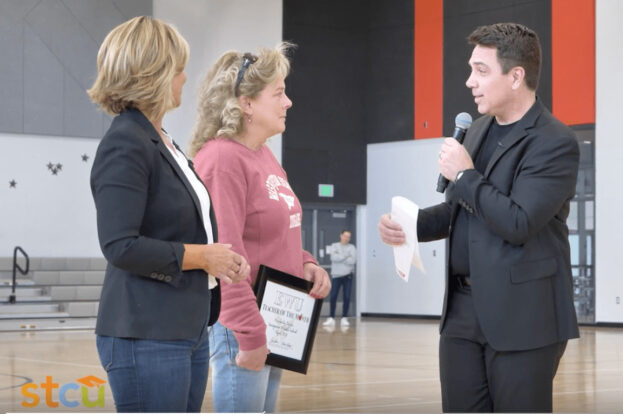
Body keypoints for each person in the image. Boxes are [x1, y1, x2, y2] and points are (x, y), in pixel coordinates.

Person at [378, 22, 580, 412]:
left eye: (481, 71)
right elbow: (461, 210)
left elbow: (518, 222)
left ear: (516, 76)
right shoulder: (478, 130)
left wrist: (466, 175)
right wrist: (412, 225)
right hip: (462, 312)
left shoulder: (554, 142)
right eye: (471, 69)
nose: (470, 81)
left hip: (524, 314)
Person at [88, 16, 250, 412]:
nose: (183, 77)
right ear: (153, 74)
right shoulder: (126, 142)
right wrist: (201, 256)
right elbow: (120, 245)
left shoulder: (164, 141)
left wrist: (220, 260)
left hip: (184, 326)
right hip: (146, 332)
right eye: (177, 68)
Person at [189, 45, 332, 413]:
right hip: (243, 324)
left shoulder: (264, 155)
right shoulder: (222, 159)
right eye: (279, 93)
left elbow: (274, 234)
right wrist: (249, 333)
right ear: (246, 104)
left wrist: (306, 264)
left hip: (273, 320)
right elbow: (226, 255)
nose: (289, 103)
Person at [323, 230, 357, 328]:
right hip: (336, 275)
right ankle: (331, 317)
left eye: (348, 237)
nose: (346, 238)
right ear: (341, 236)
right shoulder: (334, 246)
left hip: (348, 276)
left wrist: (341, 257)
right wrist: (347, 256)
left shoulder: (352, 247)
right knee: (333, 296)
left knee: (346, 297)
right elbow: (334, 258)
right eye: (345, 236)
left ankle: (344, 318)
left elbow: (353, 260)